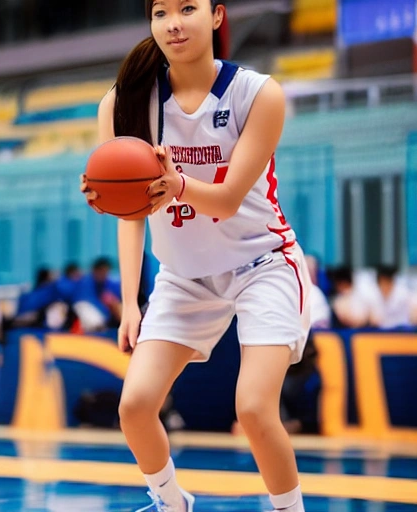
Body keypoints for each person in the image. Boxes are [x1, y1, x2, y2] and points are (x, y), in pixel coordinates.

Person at [81, 1, 311, 511]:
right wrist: (131, 302)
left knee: (252, 408)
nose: (174, 22)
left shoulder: (258, 94)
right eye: (160, 12)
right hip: (184, 278)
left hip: (264, 264)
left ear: (216, 16)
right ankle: (170, 501)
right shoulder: (124, 104)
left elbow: (227, 201)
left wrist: (174, 183)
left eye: (188, 7)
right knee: (135, 406)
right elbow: (130, 214)